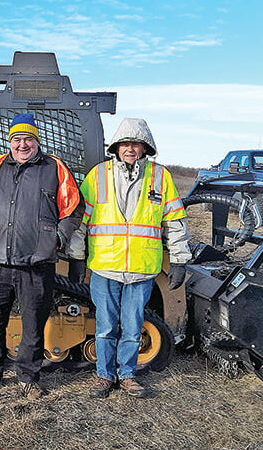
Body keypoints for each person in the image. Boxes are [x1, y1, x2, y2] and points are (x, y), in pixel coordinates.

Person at [0, 113, 82, 400]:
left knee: (34, 322)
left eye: (28, 139)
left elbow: (73, 208)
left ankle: (28, 377)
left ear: (37, 141)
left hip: (36, 264)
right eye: (17, 139)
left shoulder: (54, 168)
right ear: (10, 142)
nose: (23, 145)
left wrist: (57, 237)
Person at [80, 118, 191, 399]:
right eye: (125, 143)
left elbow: (175, 221)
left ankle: (127, 375)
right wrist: (75, 255)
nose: (130, 149)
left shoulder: (160, 177)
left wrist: (179, 259)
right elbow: (81, 219)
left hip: (142, 268)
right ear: (116, 147)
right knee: (105, 326)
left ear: (145, 148)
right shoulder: (98, 175)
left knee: (132, 326)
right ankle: (104, 376)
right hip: (105, 266)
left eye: (135, 144)